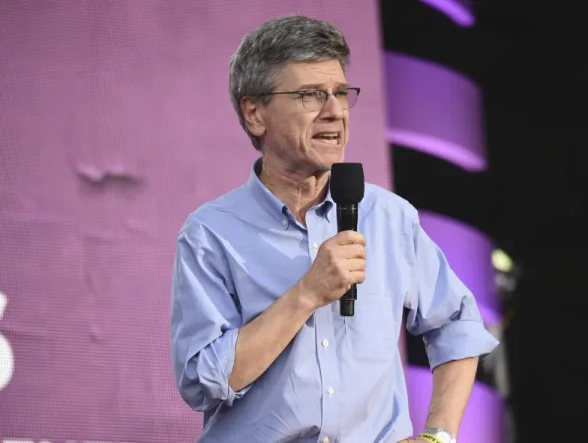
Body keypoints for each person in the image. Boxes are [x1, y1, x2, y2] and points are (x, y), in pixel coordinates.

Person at [170, 14, 499, 443]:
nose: (334, 112)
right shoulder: (211, 233)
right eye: (310, 95)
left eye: (341, 94)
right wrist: (306, 294)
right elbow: (202, 381)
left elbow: (457, 324)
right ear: (254, 113)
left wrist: (438, 435)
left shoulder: (389, 217)